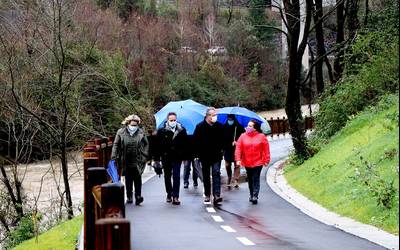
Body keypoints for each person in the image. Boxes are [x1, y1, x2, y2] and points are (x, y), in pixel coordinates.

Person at [111, 114, 149, 205]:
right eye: (132, 125)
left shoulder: (141, 132)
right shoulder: (121, 132)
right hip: (126, 159)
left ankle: (138, 196)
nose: (134, 127)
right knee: (128, 179)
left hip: (138, 159)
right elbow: (116, 144)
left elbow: (146, 144)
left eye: (135, 125)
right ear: (128, 123)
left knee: (138, 178)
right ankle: (129, 197)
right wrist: (113, 156)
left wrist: (144, 156)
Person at [154, 112, 188, 205]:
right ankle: (169, 193)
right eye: (171, 120)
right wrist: (156, 159)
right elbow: (157, 146)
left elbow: (185, 145)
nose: (173, 121)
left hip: (177, 157)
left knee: (176, 176)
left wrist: (185, 157)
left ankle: (176, 196)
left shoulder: (182, 130)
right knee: (167, 176)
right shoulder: (161, 131)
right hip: (166, 157)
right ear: (167, 120)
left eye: (174, 120)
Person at [193, 107, 224, 205]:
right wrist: (196, 155)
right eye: (213, 115)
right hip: (204, 155)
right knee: (206, 176)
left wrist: (222, 150)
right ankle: (207, 194)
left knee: (216, 173)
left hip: (216, 155)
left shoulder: (219, 126)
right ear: (207, 116)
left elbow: (223, 140)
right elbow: (195, 141)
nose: (215, 117)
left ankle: (217, 195)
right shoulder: (200, 126)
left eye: (215, 115)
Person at [235, 119, 270, 205]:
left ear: (255, 128)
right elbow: (238, 148)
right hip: (247, 162)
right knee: (250, 179)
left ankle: (255, 196)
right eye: (248, 125)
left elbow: (266, 150)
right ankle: (251, 194)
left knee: (255, 178)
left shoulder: (261, 136)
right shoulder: (243, 136)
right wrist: (238, 159)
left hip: (258, 162)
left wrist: (266, 160)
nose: (248, 127)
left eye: (250, 126)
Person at [222, 114, 245, 188]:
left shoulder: (239, 126)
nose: (230, 120)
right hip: (227, 149)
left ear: (234, 119)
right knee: (227, 165)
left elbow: (243, 137)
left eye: (231, 119)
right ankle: (229, 176)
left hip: (236, 149)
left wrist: (237, 142)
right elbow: (221, 138)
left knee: (237, 165)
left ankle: (236, 179)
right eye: (229, 119)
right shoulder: (224, 127)